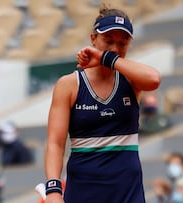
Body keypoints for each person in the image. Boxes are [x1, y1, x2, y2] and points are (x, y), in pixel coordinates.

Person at [44, 4, 161, 203]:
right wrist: (53, 190)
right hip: (84, 190)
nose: (115, 49)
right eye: (108, 41)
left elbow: (154, 79)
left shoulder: (131, 79)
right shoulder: (69, 84)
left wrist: (107, 58)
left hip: (127, 191)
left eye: (122, 44)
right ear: (93, 39)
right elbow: (55, 143)